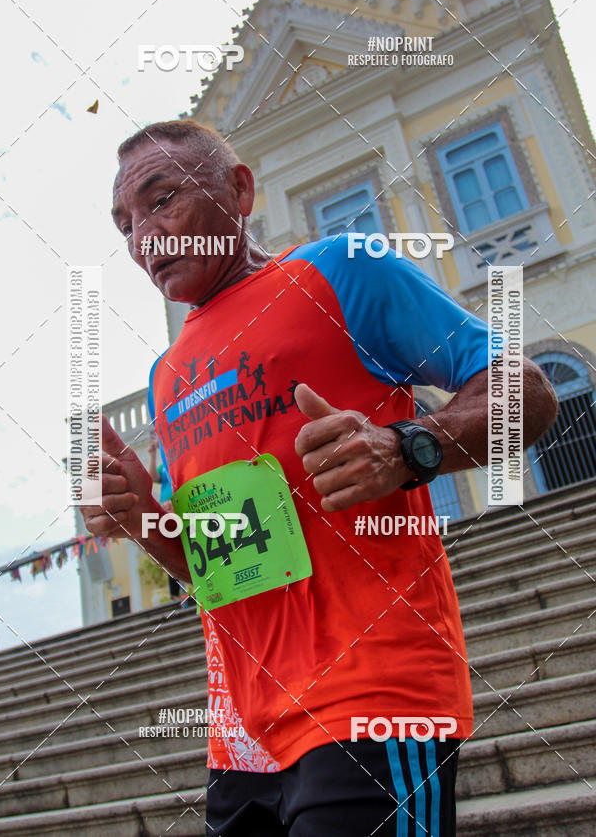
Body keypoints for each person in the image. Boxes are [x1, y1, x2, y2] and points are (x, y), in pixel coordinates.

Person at [81, 119, 558, 836]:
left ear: (239, 190)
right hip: (243, 738)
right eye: (124, 224)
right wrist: (140, 518)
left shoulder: (342, 269)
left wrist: (407, 448)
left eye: (161, 200)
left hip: (372, 696)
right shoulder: (168, 373)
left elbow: (528, 393)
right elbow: (223, 567)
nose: (143, 238)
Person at [148, 431, 181, 599]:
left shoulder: (178, 459)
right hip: (167, 511)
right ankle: (175, 594)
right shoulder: (164, 466)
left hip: (181, 507)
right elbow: (153, 477)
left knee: (184, 545)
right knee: (171, 548)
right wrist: (153, 455)